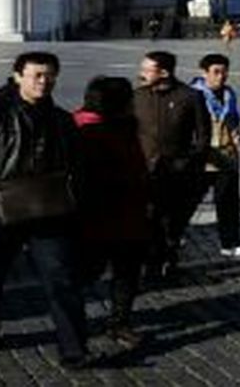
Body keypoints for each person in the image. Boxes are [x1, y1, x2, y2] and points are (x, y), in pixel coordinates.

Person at [0, 52, 90, 368]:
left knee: (61, 279)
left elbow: (77, 164)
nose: (43, 82)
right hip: (4, 211)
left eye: (49, 76)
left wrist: (74, 200)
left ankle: (74, 349)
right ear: (18, 76)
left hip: (50, 212)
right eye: (37, 75)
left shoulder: (62, 120)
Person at [72, 76, 150, 349]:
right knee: (85, 273)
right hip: (97, 216)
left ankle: (120, 322)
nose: (133, 103)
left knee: (127, 273)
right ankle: (75, 324)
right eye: (129, 98)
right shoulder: (84, 130)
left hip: (128, 214)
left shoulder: (123, 127)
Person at [132, 50, 213, 278]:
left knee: (171, 221)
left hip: (177, 173)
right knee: (148, 219)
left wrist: (189, 161)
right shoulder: (137, 97)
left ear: (165, 72)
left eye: (148, 70)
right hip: (145, 171)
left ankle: (169, 255)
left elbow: (203, 136)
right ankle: (151, 262)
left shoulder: (190, 97)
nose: (142, 74)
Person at [189, 54, 240, 258]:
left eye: (224, 72)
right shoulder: (192, 95)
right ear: (204, 72)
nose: (221, 76)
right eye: (216, 72)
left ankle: (231, 243)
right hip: (202, 158)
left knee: (229, 202)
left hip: (226, 156)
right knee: (188, 200)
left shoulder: (229, 94)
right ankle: (173, 235)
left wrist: (237, 131)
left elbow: (232, 117)